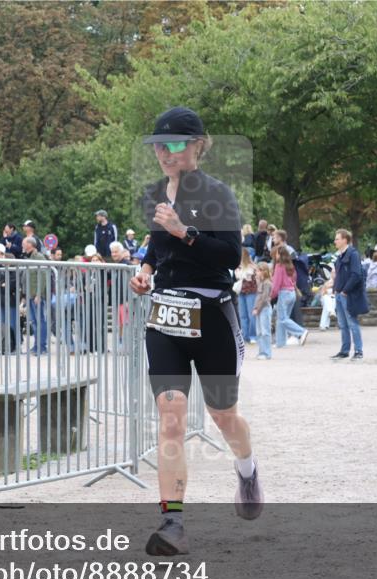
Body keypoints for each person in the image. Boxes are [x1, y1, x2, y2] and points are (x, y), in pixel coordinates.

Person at [129, 106, 261, 556]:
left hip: (213, 317)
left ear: (199, 146)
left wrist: (184, 231)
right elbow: (157, 243)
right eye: (159, 145)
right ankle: (172, 523)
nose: (166, 152)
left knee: (224, 416)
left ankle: (247, 467)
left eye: (177, 144)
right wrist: (145, 269)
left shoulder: (219, 193)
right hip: (166, 316)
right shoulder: (153, 194)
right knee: (171, 418)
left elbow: (228, 256)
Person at [331, 228, 368, 360]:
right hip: (339, 294)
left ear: (344, 240)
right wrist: (336, 289)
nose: (335, 241)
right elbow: (339, 275)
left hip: (348, 294)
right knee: (342, 324)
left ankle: (358, 351)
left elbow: (356, 275)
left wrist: (345, 290)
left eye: (337, 238)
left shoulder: (353, 254)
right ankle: (345, 350)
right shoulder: (340, 255)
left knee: (352, 322)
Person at [269, 245, 309, 348]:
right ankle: (280, 342)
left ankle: (301, 332)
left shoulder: (279, 266)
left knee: (282, 319)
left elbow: (276, 284)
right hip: (292, 293)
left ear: (279, 254)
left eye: (276, 253)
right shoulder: (290, 266)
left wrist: (271, 296)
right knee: (282, 318)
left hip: (284, 293)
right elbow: (294, 280)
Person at [21, 237, 49, 354]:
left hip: (36, 295)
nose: (22, 245)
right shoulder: (30, 257)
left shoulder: (39, 257)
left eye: (24, 243)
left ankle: (41, 346)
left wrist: (38, 293)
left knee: (40, 321)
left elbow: (43, 277)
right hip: (30, 295)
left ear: (30, 245)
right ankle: (37, 346)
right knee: (34, 322)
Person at [235, 250, 258, 344]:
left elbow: (252, 278)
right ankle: (245, 336)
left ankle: (253, 335)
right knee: (243, 315)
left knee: (251, 315)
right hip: (241, 292)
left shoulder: (252, 267)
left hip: (251, 292)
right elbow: (238, 277)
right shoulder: (239, 267)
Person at [252, 261, 274, 359]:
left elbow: (264, 298)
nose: (256, 273)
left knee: (265, 332)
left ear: (263, 271)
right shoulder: (261, 282)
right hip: (259, 309)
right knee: (259, 332)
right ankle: (261, 352)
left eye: (257, 271)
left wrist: (257, 309)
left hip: (264, 309)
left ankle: (266, 353)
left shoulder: (267, 283)